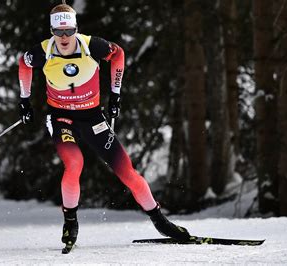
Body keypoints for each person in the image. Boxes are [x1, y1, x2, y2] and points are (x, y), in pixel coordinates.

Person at [17, 1, 191, 248]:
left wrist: (115, 94)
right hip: (61, 118)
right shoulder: (43, 51)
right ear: (52, 32)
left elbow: (118, 54)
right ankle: (70, 222)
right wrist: (24, 100)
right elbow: (24, 64)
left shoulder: (91, 46)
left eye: (69, 31)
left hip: (93, 117)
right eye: (58, 32)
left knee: (126, 171)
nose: (64, 38)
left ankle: (160, 221)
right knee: (75, 163)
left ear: (75, 29)